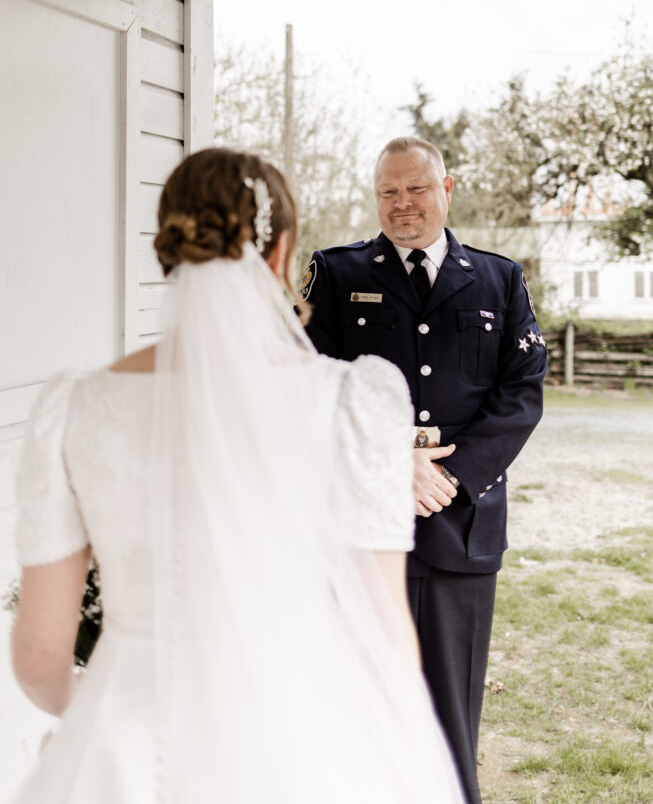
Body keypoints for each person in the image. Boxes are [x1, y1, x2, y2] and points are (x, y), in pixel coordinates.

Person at [10, 147, 463, 804]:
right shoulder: (353, 402)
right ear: (281, 252)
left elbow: (39, 660)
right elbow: (387, 638)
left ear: (169, 248)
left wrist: (102, 714)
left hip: (126, 750)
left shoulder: (75, 407)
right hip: (301, 740)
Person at [301, 136, 547, 804]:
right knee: (362, 703)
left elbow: (522, 393)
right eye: (388, 192)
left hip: (460, 523)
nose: (402, 204)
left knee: (449, 717)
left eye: (415, 189)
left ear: (447, 187)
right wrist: (392, 462)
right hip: (361, 521)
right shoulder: (337, 273)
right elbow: (308, 385)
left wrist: (452, 474)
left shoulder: (500, 279)